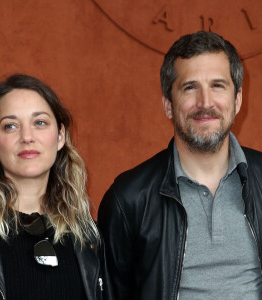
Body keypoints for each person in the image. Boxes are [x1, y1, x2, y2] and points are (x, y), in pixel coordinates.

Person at [98, 31, 262, 299]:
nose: (205, 102)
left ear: (238, 100)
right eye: (190, 87)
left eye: (218, 86)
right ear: (168, 105)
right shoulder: (128, 200)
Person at [0, 74, 107, 300]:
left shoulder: (88, 236)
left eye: (39, 122)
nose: (27, 137)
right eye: (10, 126)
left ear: (60, 136)